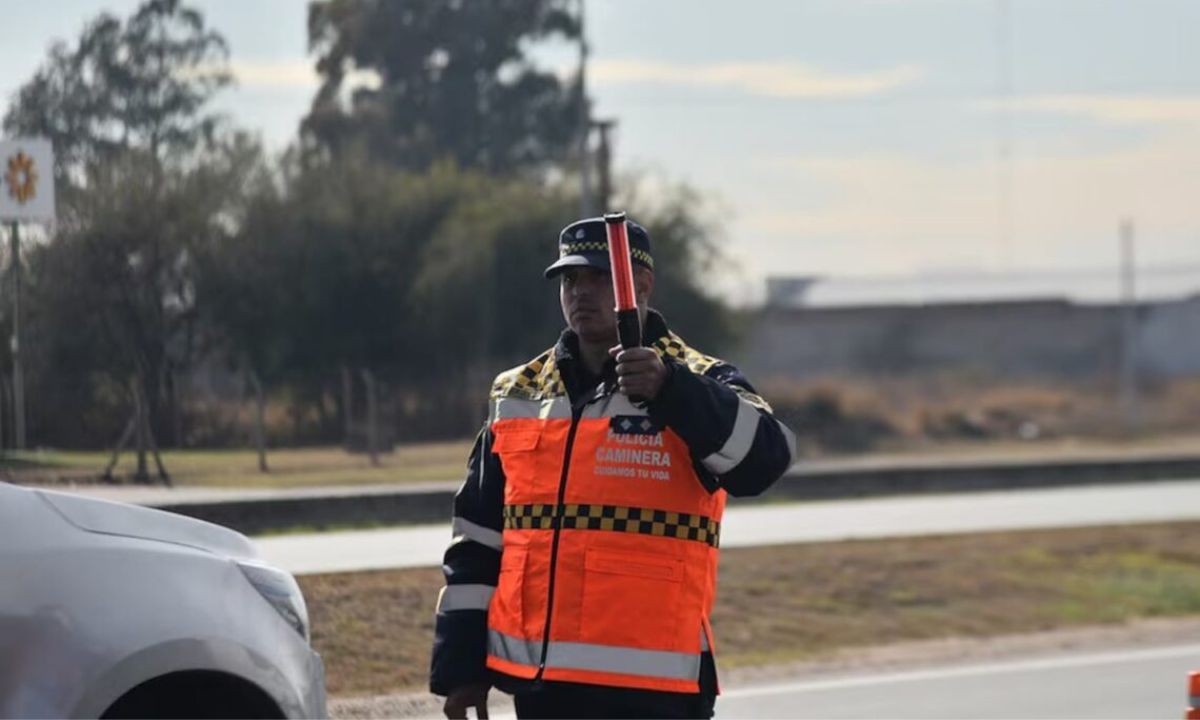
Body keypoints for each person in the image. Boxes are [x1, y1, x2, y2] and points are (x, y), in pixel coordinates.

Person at [430, 217, 797, 719]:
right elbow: (478, 538)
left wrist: (672, 390)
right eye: (570, 279)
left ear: (641, 285)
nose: (580, 292)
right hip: (543, 691)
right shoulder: (518, 391)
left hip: (656, 691)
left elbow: (768, 458)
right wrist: (462, 670)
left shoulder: (698, 377)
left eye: (599, 277)